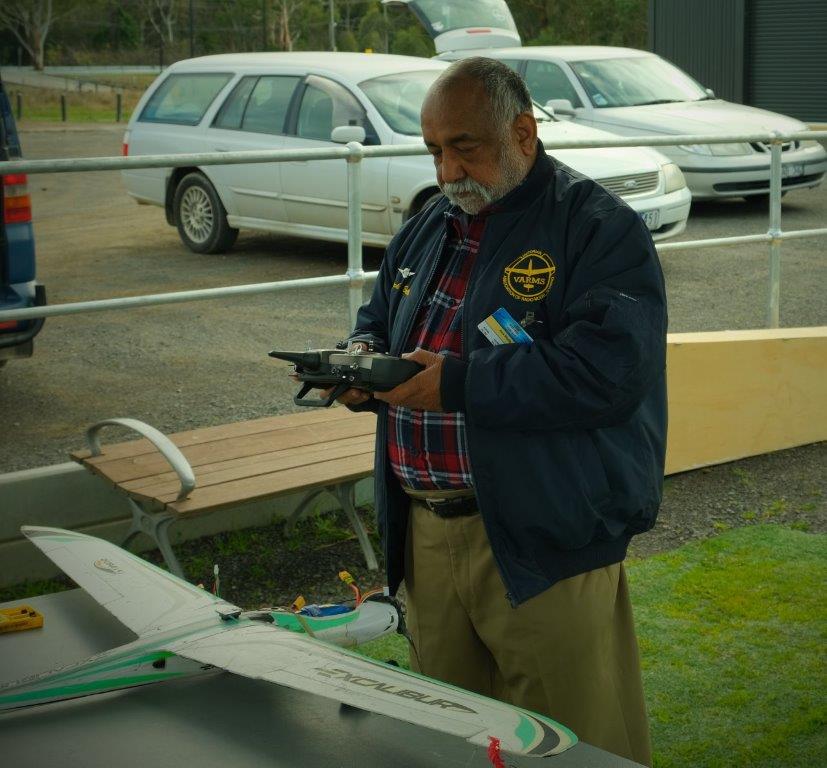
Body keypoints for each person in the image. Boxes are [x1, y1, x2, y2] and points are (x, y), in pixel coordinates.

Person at [338, 57, 666, 766]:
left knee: (575, 744)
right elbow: (377, 316)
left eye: (465, 146)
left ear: (523, 132)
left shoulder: (596, 227)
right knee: (456, 740)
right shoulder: (431, 221)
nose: (448, 168)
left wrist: (457, 383)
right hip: (425, 534)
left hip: (541, 537)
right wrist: (361, 360)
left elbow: (609, 373)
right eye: (432, 149)